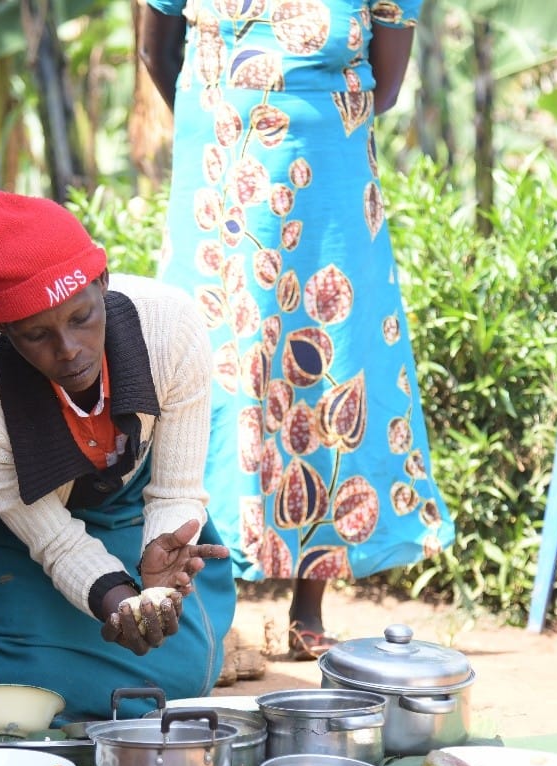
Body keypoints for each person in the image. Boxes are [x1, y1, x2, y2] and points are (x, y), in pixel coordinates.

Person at [140, 0, 453, 660]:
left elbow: (384, 85)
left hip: (328, 193)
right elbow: (156, 53)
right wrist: (234, 125)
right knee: (210, 373)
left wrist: (293, 122)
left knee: (327, 364)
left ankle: (307, 601)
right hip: (216, 182)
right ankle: (197, 601)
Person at [0, 192, 237, 722]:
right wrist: (115, 597)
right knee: (26, 702)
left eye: (82, 317)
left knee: (184, 676)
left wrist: (150, 578)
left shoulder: (171, 329)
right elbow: (55, 540)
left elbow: (174, 491)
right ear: (5, 332)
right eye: (37, 334)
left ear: (103, 282)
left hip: (107, 473)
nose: (68, 350)